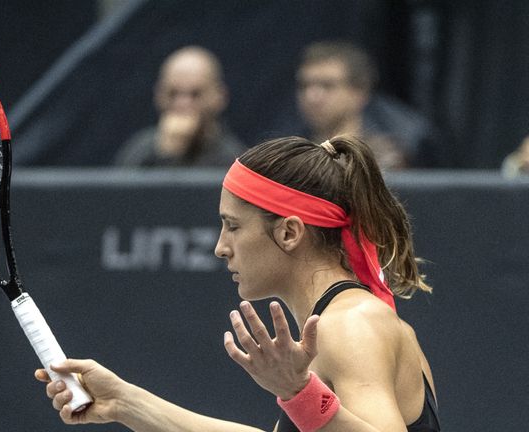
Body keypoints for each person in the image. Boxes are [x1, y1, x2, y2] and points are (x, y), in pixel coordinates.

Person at [37, 135, 441, 431]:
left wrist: (299, 394)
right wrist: (125, 401)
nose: (220, 247)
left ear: (289, 233)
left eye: (232, 226)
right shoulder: (339, 321)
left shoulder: (351, 325)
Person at [295, 41, 434, 170]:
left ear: (359, 92)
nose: (312, 97)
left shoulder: (389, 155)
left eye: (327, 86)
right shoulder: (292, 151)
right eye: (304, 86)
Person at [113, 46, 246, 167]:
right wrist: (167, 153)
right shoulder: (138, 152)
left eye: (195, 94)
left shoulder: (234, 161)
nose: (182, 104)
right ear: (158, 95)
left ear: (219, 97)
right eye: (173, 93)